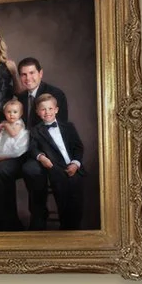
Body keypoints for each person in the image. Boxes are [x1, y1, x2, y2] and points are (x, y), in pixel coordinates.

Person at [30, 91, 89, 230]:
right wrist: (41, 157)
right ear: (37, 112)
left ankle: (75, 226)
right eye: (43, 109)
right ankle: (66, 225)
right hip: (55, 167)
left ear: (56, 110)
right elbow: (32, 148)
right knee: (62, 191)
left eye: (50, 108)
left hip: (73, 164)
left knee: (76, 191)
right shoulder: (35, 131)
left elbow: (78, 147)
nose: (47, 112)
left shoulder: (68, 127)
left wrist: (76, 163)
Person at [0, 94, 33, 230]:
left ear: (21, 114)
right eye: (8, 112)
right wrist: (1, 128)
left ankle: (8, 222)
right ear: (4, 113)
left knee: (9, 155)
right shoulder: (6, 122)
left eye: (15, 112)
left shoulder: (18, 123)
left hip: (17, 147)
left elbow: (13, 134)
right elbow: (1, 135)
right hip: (7, 144)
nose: (12, 115)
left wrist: (6, 125)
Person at [14, 56, 70, 125]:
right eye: (24, 74)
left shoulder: (56, 94)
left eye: (31, 73)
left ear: (40, 73)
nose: (28, 78)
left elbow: (60, 125)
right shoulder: (21, 97)